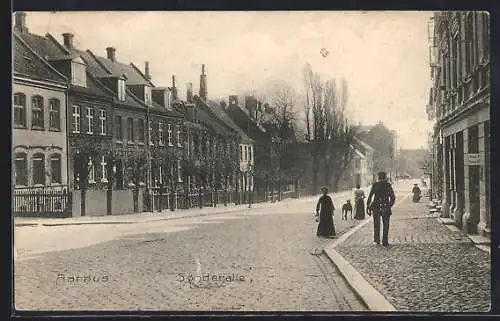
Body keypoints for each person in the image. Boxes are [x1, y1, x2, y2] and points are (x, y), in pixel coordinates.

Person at [367, 172, 396, 246]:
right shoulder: (388, 185)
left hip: (376, 206)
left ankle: (377, 240)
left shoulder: (375, 185)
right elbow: (393, 197)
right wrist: (389, 205)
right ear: (385, 177)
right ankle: (385, 240)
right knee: (386, 224)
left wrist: (368, 206)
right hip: (385, 206)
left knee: (376, 224)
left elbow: (370, 196)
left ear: (378, 177)